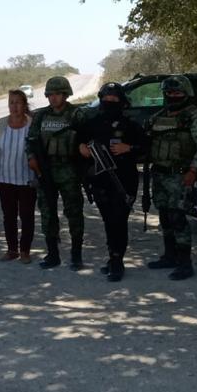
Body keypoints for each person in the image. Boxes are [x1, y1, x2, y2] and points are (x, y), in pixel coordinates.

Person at [73, 83, 146, 282]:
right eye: (107, 99)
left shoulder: (130, 125)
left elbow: (146, 147)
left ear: (122, 102)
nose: (110, 102)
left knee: (119, 220)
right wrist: (81, 148)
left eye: (115, 99)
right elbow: (77, 141)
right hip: (100, 181)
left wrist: (128, 148)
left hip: (124, 181)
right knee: (108, 221)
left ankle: (117, 261)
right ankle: (113, 256)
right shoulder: (92, 123)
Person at [145, 75, 197, 280]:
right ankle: (169, 256)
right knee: (165, 216)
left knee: (178, 218)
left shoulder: (195, 116)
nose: (172, 96)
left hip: (180, 175)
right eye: (168, 93)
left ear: (186, 93)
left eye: (176, 93)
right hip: (160, 174)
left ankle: (185, 264)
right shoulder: (157, 117)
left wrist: (193, 170)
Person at [26, 76, 84, 270]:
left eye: (57, 94)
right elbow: (31, 140)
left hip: (69, 170)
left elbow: (87, 138)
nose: (53, 98)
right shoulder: (41, 116)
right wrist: (32, 158)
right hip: (46, 169)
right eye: (50, 94)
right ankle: (53, 254)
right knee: (47, 213)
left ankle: (76, 255)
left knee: (74, 212)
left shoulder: (77, 114)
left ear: (65, 94)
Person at [0, 90, 37, 263]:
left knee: (27, 215)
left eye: (18, 102)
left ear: (24, 104)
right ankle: (11, 250)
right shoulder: (1, 125)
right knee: (8, 216)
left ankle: (25, 251)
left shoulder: (32, 125)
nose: (14, 106)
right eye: (11, 102)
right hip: (4, 178)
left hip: (27, 178)